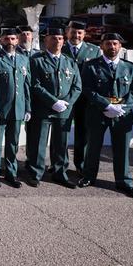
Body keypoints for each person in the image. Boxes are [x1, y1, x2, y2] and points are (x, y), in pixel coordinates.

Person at [78, 33, 133, 199]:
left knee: (122, 149)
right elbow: (87, 89)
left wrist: (122, 107)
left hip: (122, 114)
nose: (112, 47)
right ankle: (89, 176)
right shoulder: (91, 66)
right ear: (101, 46)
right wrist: (106, 105)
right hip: (97, 112)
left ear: (120, 46)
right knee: (93, 147)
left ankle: (123, 181)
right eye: (108, 43)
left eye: (115, 44)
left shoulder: (130, 67)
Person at [26, 27, 82, 189]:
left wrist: (67, 103)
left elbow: (77, 87)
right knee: (38, 143)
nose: (57, 41)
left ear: (64, 41)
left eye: (60, 38)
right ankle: (35, 173)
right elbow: (35, 84)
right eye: (53, 38)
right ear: (46, 41)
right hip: (43, 109)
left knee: (61, 144)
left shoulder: (70, 61)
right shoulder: (36, 60)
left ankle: (60, 173)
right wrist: (52, 102)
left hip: (64, 110)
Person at [0, 27, 31, 189]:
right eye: (6, 39)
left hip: (18, 109)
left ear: (17, 40)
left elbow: (26, 86)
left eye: (13, 39)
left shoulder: (23, 59)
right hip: (0, 110)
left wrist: (28, 108)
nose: (10, 42)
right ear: (1, 40)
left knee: (13, 144)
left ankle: (11, 173)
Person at [62, 20, 101, 176]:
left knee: (83, 133)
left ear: (84, 34)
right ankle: (60, 163)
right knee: (62, 132)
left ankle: (81, 164)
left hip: (85, 99)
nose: (76, 35)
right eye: (73, 31)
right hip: (65, 97)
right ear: (67, 32)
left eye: (79, 33)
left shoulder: (94, 51)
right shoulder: (60, 47)